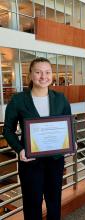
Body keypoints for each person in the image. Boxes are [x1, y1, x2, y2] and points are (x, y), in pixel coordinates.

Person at [3, 57, 72, 220]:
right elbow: (8, 130)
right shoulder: (18, 100)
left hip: (55, 161)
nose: (43, 76)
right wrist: (19, 150)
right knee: (32, 205)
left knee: (54, 203)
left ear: (52, 75)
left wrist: (71, 142)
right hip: (30, 162)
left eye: (47, 72)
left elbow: (70, 125)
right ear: (30, 75)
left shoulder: (60, 99)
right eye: (38, 72)